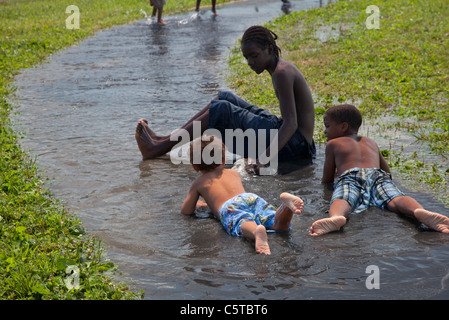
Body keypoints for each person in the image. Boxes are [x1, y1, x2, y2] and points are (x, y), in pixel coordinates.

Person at [135, 25, 316, 173]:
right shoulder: (280, 68)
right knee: (224, 97)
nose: (250, 62)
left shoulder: (282, 73)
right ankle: (164, 140)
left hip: (297, 148)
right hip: (295, 141)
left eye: (254, 56)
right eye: (246, 58)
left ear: (269, 49)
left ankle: (157, 148)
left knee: (221, 109)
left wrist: (262, 159)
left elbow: (291, 123)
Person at [308, 104, 449, 236]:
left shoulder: (333, 144)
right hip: (377, 175)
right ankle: (419, 210)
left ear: (344, 126)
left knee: (344, 198)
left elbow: (327, 180)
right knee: (395, 198)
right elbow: (387, 172)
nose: (325, 131)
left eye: (327, 126)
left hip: (351, 176)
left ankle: (337, 217)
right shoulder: (370, 142)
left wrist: (333, 181)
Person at [181, 136, 304, 255]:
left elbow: (186, 211)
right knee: (276, 223)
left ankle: (256, 232)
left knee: (241, 220)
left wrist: (200, 204)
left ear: (195, 166)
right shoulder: (233, 172)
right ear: (223, 159)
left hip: (229, 207)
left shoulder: (198, 183)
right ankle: (285, 207)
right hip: (250, 198)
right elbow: (231, 196)